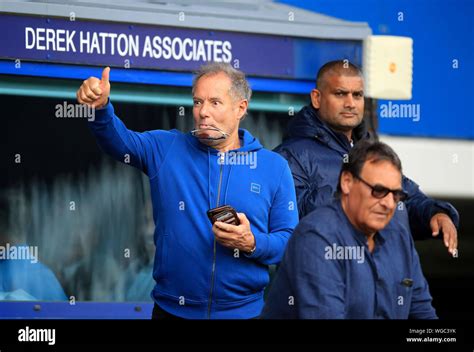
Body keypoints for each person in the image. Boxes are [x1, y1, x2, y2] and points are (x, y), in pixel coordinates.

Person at [77, 62, 298, 319]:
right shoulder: (166, 148)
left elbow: (289, 241)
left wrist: (252, 243)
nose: (203, 112)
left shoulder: (274, 167)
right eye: (197, 102)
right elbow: (119, 142)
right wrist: (101, 109)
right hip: (172, 312)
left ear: (241, 108)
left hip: (244, 314)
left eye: (215, 102)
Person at [274, 60, 459, 255]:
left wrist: (436, 213)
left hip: (377, 274)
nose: (350, 103)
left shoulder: (372, 153)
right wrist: (358, 196)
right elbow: (295, 222)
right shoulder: (290, 156)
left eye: (357, 95)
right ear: (317, 98)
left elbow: (406, 197)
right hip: (323, 274)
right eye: (340, 94)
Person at [262, 140, 437, 319]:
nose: (389, 203)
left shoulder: (399, 235)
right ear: (347, 182)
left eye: (396, 194)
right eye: (378, 190)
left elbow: (423, 312)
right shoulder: (316, 237)